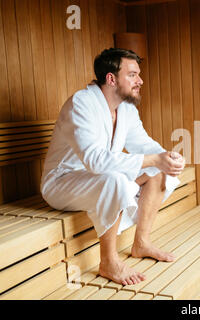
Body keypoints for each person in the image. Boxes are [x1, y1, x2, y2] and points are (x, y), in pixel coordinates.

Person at [40, 48, 185, 286]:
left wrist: (167, 157)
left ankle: (142, 243)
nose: (140, 80)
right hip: (63, 183)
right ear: (111, 78)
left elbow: (143, 145)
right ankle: (108, 261)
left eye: (138, 74)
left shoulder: (126, 109)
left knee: (158, 170)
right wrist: (153, 159)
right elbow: (96, 161)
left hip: (98, 177)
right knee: (114, 179)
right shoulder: (82, 103)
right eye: (132, 75)